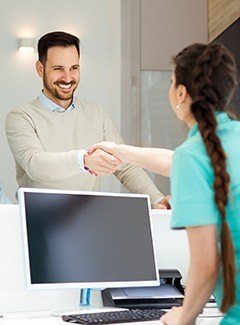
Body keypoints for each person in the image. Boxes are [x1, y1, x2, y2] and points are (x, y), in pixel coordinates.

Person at [89, 43, 239, 324]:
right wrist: (120, 151)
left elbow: (206, 264)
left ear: (181, 93)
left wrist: (184, 316)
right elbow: (175, 162)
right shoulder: (223, 143)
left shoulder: (194, 156)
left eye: (171, 83)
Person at [5, 31, 171, 208]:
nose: (68, 78)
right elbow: (35, 165)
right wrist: (83, 160)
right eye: (58, 69)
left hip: (86, 217)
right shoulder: (21, 116)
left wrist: (156, 199)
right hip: (37, 218)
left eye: (74, 68)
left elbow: (125, 166)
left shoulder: (97, 113)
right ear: (40, 69)